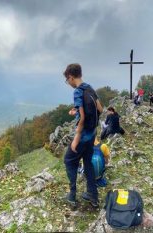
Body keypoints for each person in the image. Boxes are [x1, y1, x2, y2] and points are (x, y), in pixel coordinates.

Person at [63, 63, 102, 209]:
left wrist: (76, 139)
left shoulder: (78, 92)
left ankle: (72, 196)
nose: (68, 83)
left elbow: (83, 118)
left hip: (83, 136)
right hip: (92, 134)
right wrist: (77, 111)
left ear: (71, 77)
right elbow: (100, 108)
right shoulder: (89, 87)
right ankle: (93, 196)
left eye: (68, 81)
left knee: (69, 161)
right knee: (88, 162)